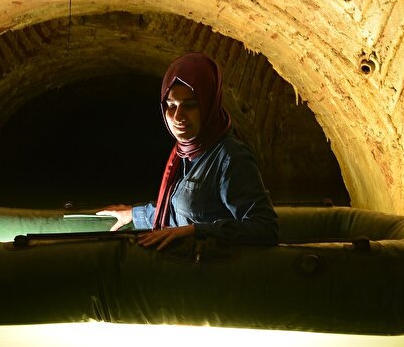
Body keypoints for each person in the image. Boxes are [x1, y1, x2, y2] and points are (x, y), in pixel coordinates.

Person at [98, 52, 279, 250]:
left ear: (209, 104)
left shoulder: (230, 156)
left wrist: (197, 231)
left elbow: (264, 229)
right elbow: (177, 211)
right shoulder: (183, 152)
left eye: (190, 105)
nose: (178, 116)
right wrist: (135, 214)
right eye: (171, 105)